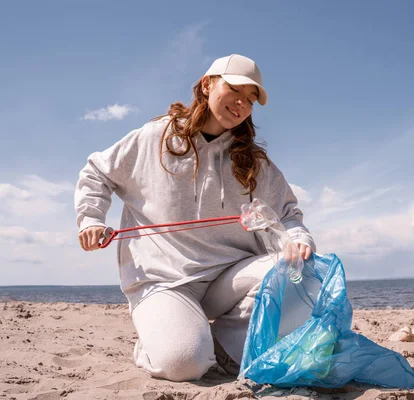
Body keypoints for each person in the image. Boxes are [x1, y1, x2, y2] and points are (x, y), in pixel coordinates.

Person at [74, 54, 316, 382]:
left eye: (250, 99)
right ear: (207, 85)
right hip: (164, 281)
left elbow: (289, 215)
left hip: (227, 279)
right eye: (235, 90)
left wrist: (298, 240)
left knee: (296, 271)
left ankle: (226, 347)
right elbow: (97, 172)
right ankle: (159, 343)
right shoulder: (154, 137)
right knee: (185, 363)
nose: (242, 104)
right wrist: (91, 219)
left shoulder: (253, 162)